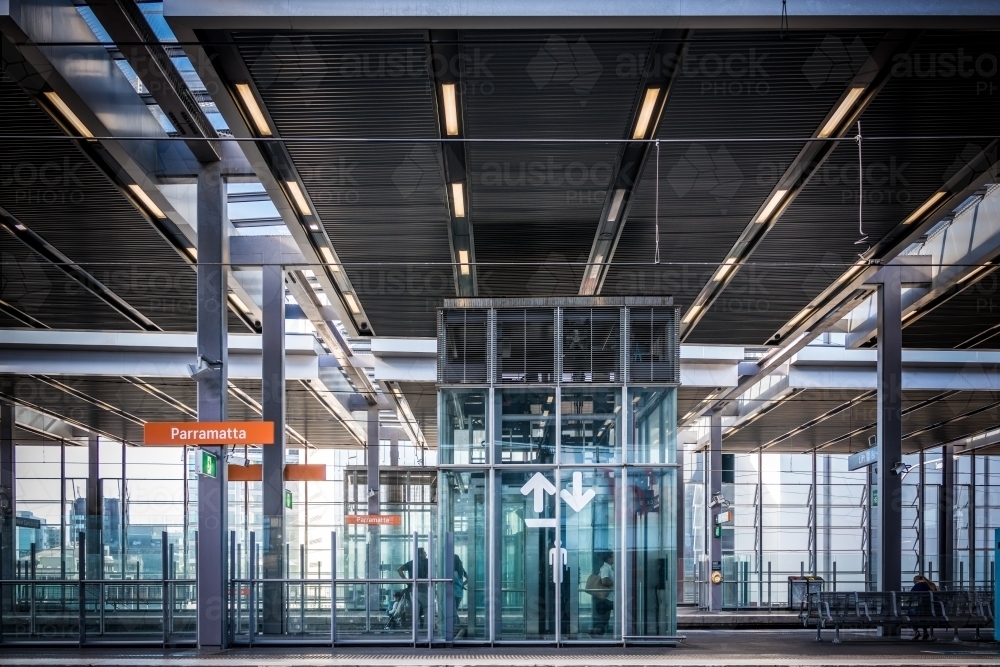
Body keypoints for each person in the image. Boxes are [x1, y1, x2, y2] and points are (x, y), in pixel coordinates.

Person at [398, 548, 429, 625]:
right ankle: (427, 627)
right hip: (423, 589)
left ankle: (416, 628)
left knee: (415, 610)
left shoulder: (411, 562)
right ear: (420, 554)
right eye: (424, 553)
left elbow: (399, 569)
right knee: (427, 608)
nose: (426, 554)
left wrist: (407, 581)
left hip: (412, 589)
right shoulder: (427, 562)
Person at [591, 552, 615, 636]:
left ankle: (598, 634)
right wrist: (615, 583)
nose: (615, 558)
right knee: (603, 618)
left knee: (605, 618)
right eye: (613, 556)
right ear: (608, 558)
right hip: (605, 598)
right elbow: (604, 581)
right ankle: (595, 634)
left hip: (609, 597)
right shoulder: (605, 568)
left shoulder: (610, 568)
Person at [909, 575, 936, 641]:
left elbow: (910, 597)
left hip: (919, 609)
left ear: (916, 581)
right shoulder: (932, 585)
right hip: (932, 610)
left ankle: (916, 631)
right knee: (923, 615)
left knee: (909, 614)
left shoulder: (917, 585)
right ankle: (925, 631)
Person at [453, 553, 468, 637]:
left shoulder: (451, 571)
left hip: (452, 593)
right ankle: (457, 626)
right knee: (454, 610)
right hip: (459, 593)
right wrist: (462, 584)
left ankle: (458, 627)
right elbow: (469, 578)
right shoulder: (461, 570)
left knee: (453, 611)